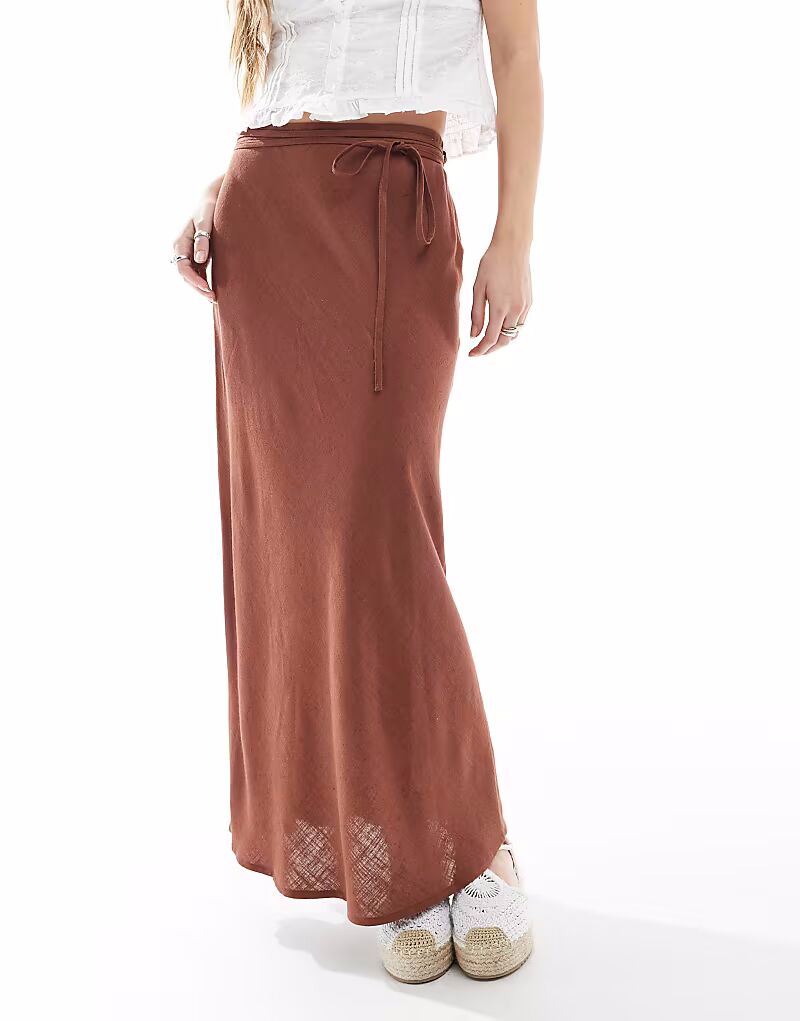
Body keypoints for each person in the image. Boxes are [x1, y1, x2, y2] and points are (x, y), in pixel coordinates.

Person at [172, 0, 543, 983]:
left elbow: (517, 53)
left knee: (384, 540)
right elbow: (287, 73)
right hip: (265, 222)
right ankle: (392, 854)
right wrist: (219, 186)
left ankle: (475, 843)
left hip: (395, 206)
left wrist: (512, 236)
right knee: (296, 547)